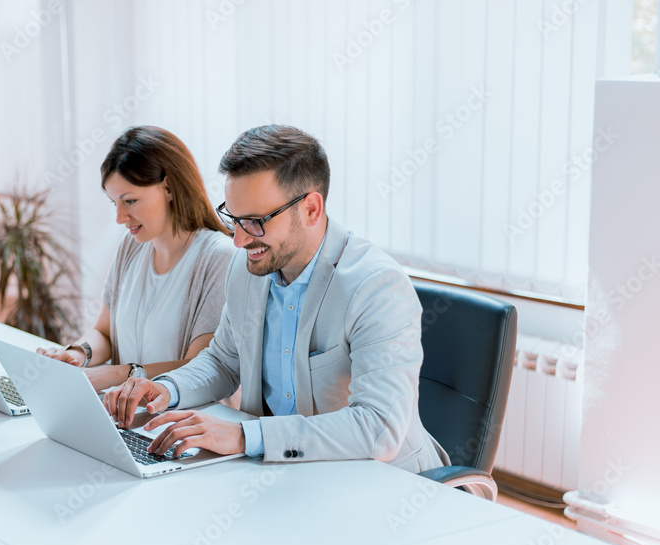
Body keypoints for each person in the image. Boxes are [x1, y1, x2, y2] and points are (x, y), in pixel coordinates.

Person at [104, 125, 450, 473]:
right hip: (285, 476)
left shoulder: (376, 287)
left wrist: (244, 436)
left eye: (255, 222)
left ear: (311, 209)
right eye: (234, 219)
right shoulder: (248, 267)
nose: (238, 240)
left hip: (380, 482)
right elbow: (225, 360)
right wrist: (166, 389)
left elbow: (378, 429)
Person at [37, 126, 234, 392]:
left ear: (169, 188)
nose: (120, 218)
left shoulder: (218, 257)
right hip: (127, 415)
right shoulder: (132, 246)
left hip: (180, 421)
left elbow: (202, 368)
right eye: (114, 203)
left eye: (129, 201)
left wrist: (121, 374)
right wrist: (78, 354)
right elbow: (104, 333)